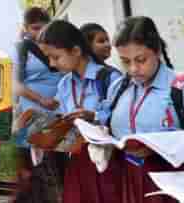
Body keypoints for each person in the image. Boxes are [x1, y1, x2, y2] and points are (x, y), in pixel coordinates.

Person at [39, 20, 122, 203]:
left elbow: (124, 123)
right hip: (78, 164)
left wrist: (94, 116)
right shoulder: (64, 84)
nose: (52, 64)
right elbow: (61, 123)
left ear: (76, 51)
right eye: (49, 58)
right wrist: (42, 132)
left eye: (56, 57)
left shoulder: (110, 78)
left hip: (108, 163)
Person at [107, 16, 184, 203]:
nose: (133, 69)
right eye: (125, 61)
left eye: (140, 60)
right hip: (128, 177)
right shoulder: (118, 88)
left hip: (169, 184)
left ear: (157, 51)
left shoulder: (178, 88)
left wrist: (159, 148)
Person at [11, 7, 65, 203]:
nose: (39, 32)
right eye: (34, 28)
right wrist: (41, 100)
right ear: (25, 28)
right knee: (36, 168)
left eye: (44, 27)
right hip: (33, 112)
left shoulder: (58, 47)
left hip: (60, 113)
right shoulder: (20, 50)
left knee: (60, 166)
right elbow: (14, 85)